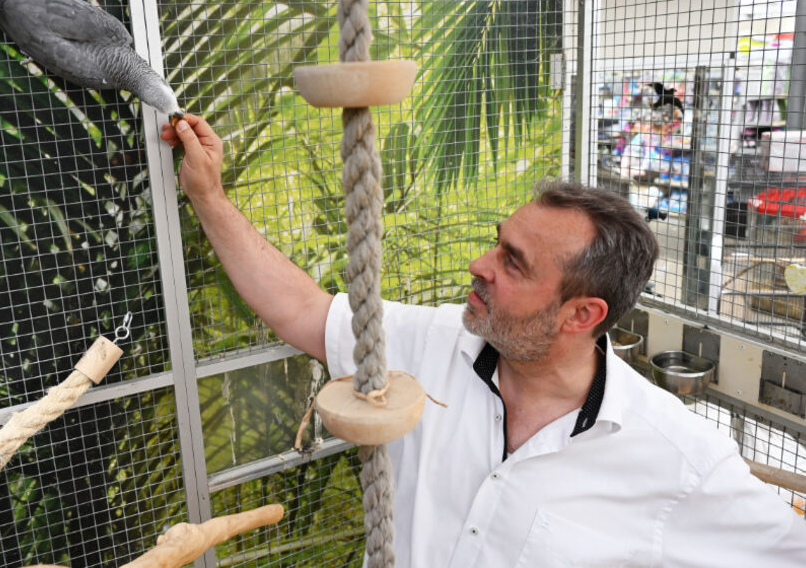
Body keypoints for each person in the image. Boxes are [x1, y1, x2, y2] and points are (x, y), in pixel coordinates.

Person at [161, 114, 806, 566]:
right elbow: (301, 309)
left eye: (514, 262)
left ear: (581, 315)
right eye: (499, 241)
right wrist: (209, 195)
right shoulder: (431, 344)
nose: (480, 264)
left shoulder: (678, 457)